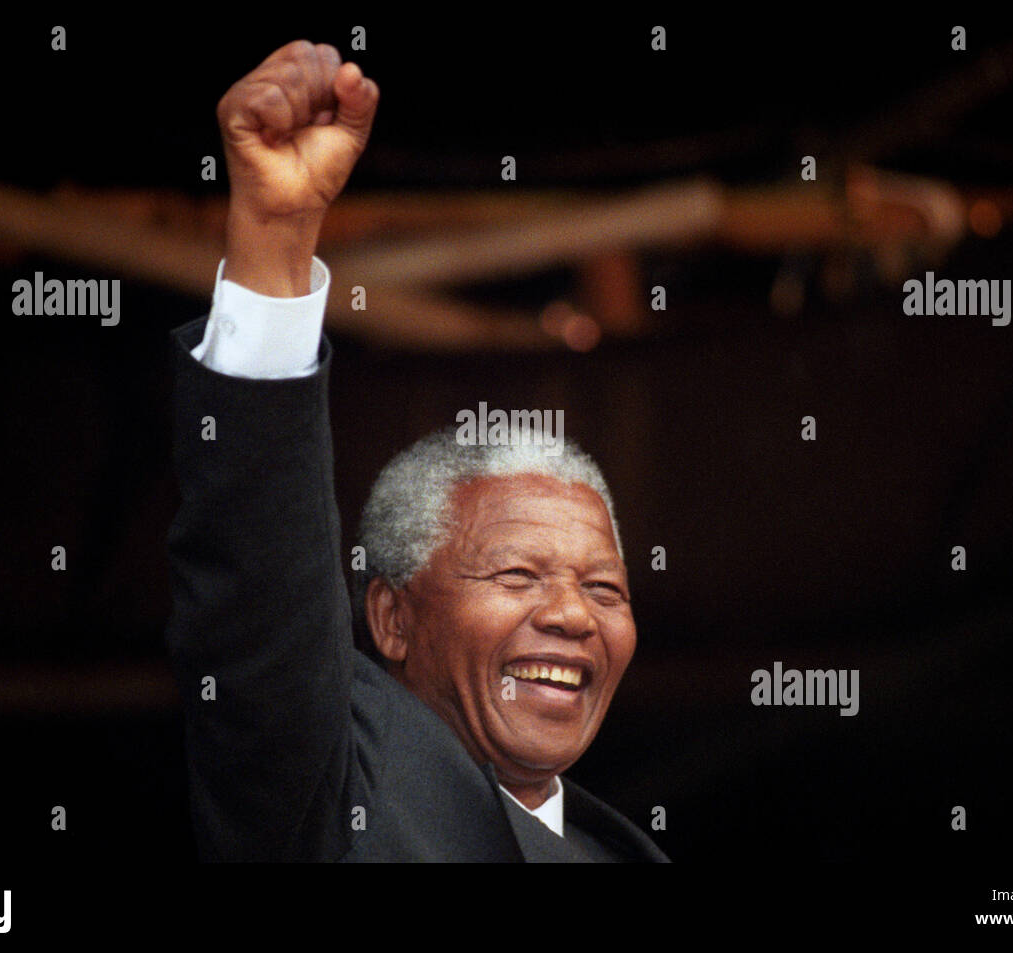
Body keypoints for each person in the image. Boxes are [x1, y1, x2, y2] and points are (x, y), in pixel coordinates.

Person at [166, 39, 668, 862]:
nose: (575, 615)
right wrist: (275, 235)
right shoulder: (337, 795)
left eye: (606, 588)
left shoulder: (615, 850)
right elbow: (260, 597)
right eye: (516, 575)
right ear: (393, 619)